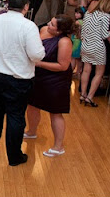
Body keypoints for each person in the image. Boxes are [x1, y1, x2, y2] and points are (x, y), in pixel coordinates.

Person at [0, 0, 46, 167]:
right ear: (26, 7)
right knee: (16, 117)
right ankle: (14, 156)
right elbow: (36, 55)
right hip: (18, 79)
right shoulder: (28, 26)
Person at [24, 14, 74, 158]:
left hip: (56, 80)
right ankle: (31, 131)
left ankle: (58, 147)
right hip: (37, 76)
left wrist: (39, 64)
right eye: (50, 22)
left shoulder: (64, 42)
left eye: (52, 24)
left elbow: (63, 66)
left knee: (55, 112)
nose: (48, 24)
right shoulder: (44, 30)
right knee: (32, 105)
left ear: (59, 31)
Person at [80, 0, 110, 107]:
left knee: (86, 70)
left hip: (86, 45)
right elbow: (104, 35)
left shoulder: (88, 13)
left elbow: (83, 31)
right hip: (97, 46)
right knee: (99, 73)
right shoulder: (105, 16)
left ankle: (83, 94)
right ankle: (90, 97)